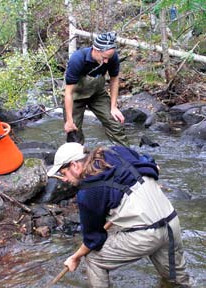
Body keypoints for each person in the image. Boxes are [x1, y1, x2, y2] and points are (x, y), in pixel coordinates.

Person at [47, 142, 192, 288]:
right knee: (177, 282)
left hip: (145, 235)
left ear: (74, 165)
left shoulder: (87, 192)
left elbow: (94, 240)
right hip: (172, 222)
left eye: (63, 173)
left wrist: (75, 257)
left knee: (93, 258)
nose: (64, 179)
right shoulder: (116, 151)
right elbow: (153, 166)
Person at [64, 31, 128, 146]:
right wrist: (69, 120)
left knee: (115, 123)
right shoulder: (77, 59)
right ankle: (78, 160)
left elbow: (114, 80)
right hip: (76, 96)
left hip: (97, 94)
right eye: (104, 58)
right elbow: (68, 93)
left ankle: (128, 156)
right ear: (96, 49)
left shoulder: (112, 56)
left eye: (109, 57)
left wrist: (113, 107)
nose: (106, 61)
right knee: (73, 132)